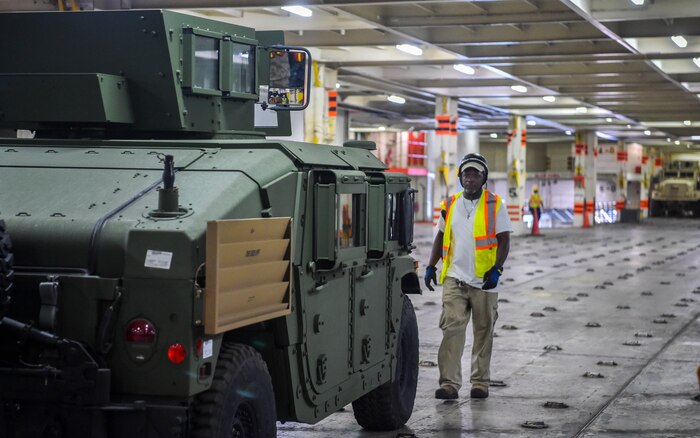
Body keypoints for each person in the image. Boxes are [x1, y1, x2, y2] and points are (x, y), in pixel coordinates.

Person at [424, 153, 512, 400]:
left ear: (484, 178)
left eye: (476, 174)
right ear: (460, 178)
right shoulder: (450, 204)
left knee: (483, 333)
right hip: (454, 278)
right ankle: (449, 384)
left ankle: (480, 383)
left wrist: (497, 269)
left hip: (485, 280)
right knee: (452, 330)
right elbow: (440, 236)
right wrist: (431, 266)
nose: (471, 179)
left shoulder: (495, 204)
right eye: (467, 174)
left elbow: (505, 240)